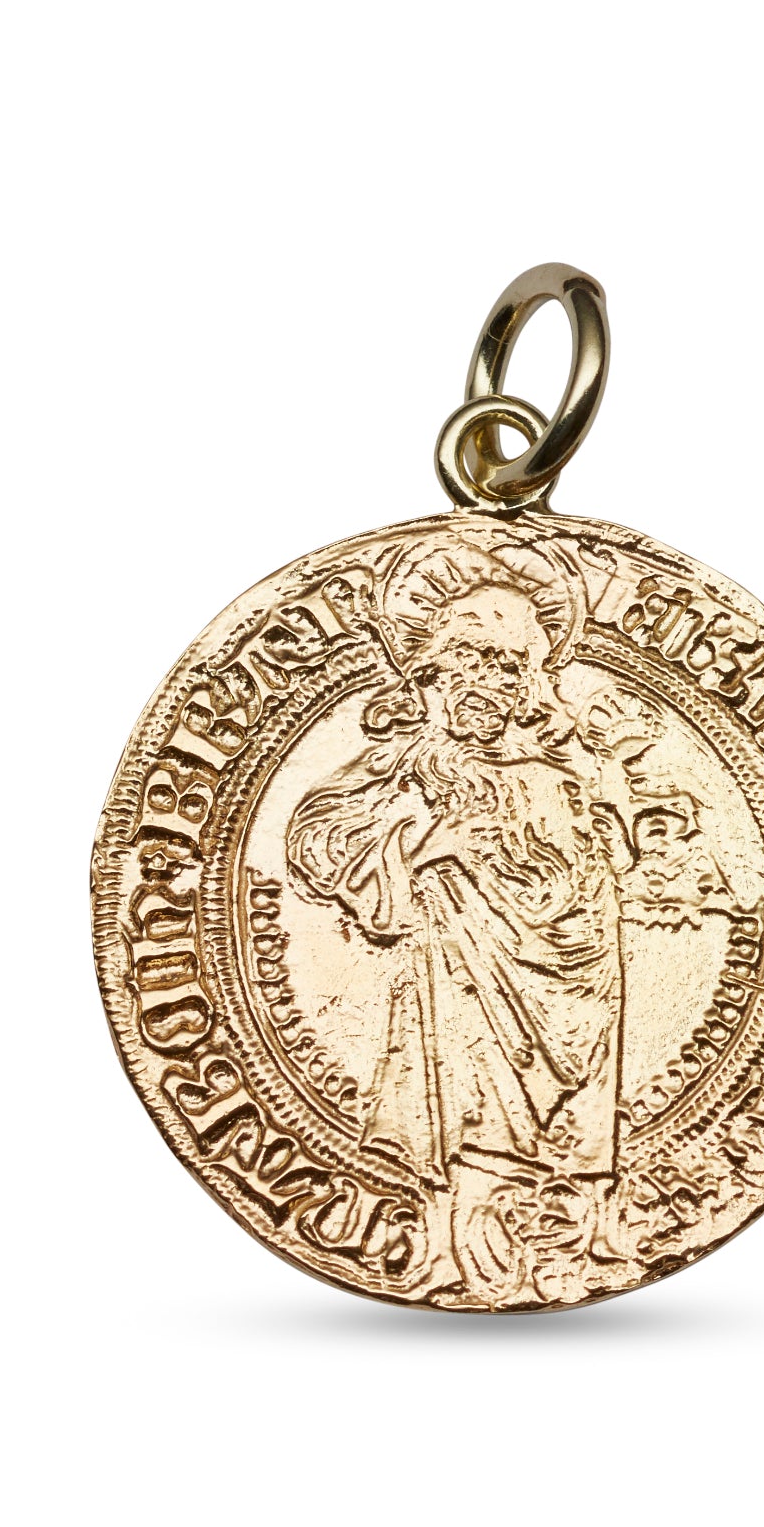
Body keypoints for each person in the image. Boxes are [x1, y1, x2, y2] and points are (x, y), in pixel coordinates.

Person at [285, 538, 631, 1305]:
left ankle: (574, 1237)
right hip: (460, 980)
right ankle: (457, 1248)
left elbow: (603, 857)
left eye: (508, 667)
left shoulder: (559, 769)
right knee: (471, 1114)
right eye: (471, 659)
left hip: (579, 979)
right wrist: (421, 842)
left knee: (571, 1131)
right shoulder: (408, 761)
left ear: (529, 679)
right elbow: (315, 836)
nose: (487, 682)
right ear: (432, 670)